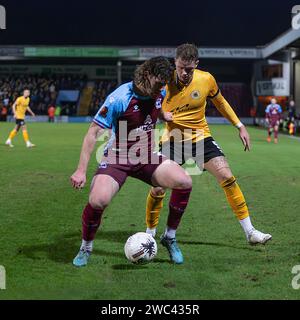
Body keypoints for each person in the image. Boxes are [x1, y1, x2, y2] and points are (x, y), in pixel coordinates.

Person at [145, 44, 272, 251]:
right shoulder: (164, 81)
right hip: (172, 139)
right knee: (158, 187)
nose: (184, 73)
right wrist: (160, 115)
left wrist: (240, 126)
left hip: (201, 137)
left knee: (227, 177)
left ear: (196, 64)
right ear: (174, 64)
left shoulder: (206, 79)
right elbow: (147, 105)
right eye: (180, 68)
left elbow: (221, 103)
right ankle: (149, 235)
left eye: (189, 69)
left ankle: (250, 232)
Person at [70, 57, 192, 267]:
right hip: (118, 156)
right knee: (98, 200)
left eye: (164, 85)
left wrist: (164, 115)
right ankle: (86, 248)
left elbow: (158, 105)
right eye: (158, 84)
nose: (161, 89)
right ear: (147, 76)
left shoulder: (159, 91)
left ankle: (169, 237)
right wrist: (81, 170)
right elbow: (93, 133)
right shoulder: (120, 97)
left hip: (146, 155)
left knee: (185, 181)